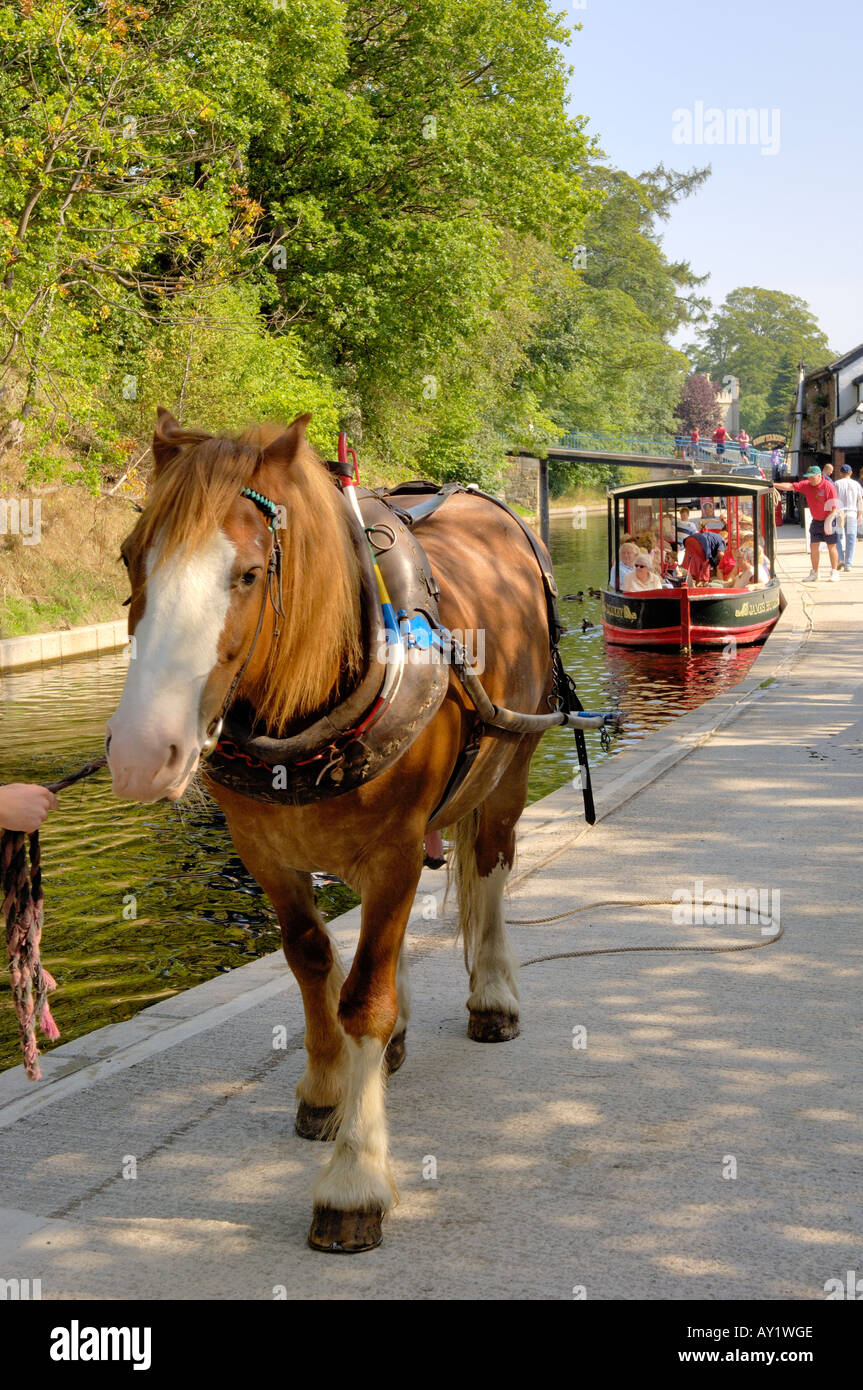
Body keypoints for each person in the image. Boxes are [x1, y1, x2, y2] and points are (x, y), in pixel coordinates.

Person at [774, 465, 840, 582]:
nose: (810, 480)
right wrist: (773, 485)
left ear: (819, 476)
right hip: (816, 520)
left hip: (829, 518)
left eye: (812, 477)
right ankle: (815, 573)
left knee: (831, 547)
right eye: (808, 477)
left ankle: (834, 572)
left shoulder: (829, 486)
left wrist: (829, 522)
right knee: (813, 546)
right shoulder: (806, 485)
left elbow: (834, 508)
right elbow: (790, 486)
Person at [834, 464, 863, 571]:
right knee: (851, 539)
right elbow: (860, 501)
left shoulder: (836, 484)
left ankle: (840, 558)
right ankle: (848, 564)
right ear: (851, 473)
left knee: (838, 537)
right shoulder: (856, 484)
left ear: (840, 473)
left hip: (840, 513)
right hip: (852, 513)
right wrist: (860, 514)